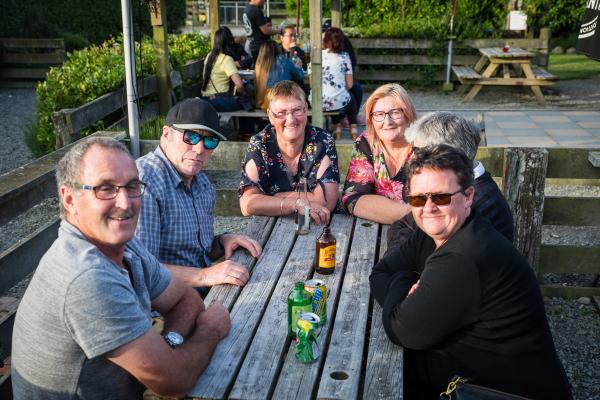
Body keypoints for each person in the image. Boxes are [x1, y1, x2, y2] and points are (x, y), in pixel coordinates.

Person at [11, 137, 231, 398]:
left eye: (132, 186)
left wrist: (169, 344)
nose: (125, 203)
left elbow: (187, 299)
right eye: (105, 189)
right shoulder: (87, 277)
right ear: (69, 199)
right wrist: (211, 329)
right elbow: (175, 381)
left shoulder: (123, 244)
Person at [370, 145, 572, 400]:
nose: (428, 208)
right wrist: (407, 281)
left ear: (468, 196)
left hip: (502, 393)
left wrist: (403, 284)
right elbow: (380, 272)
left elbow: (402, 330)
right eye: (418, 198)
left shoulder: (468, 253)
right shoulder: (430, 233)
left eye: (441, 197)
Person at [135, 98, 262, 295]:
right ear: (167, 135)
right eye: (191, 137)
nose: (200, 148)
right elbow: (143, 269)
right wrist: (205, 275)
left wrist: (222, 242)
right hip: (161, 308)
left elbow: (191, 251)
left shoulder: (202, 184)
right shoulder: (145, 183)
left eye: (210, 140)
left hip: (198, 295)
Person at [386, 111, 514, 252]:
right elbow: (401, 225)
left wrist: (400, 260)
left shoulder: (475, 201)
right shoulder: (454, 188)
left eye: (418, 151)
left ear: (449, 154)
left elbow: (433, 255)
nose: (411, 158)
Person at [239, 80, 339, 224]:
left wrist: (273, 197)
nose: (291, 119)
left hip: (317, 225)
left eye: (297, 110)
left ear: (305, 109)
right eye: (281, 113)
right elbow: (248, 204)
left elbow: (326, 202)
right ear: (270, 116)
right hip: (269, 228)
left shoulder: (322, 141)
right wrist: (295, 204)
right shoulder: (260, 144)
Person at [341, 83, 417, 224]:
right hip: (375, 231)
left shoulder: (425, 144)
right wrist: (406, 213)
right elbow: (352, 199)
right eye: (379, 114)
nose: (387, 122)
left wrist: (381, 209)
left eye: (395, 112)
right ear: (371, 119)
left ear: (408, 114)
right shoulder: (367, 142)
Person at [310, 27, 359, 139]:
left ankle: (337, 127)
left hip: (317, 101)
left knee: (333, 97)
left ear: (325, 40)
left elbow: (312, 84)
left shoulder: (316, 55)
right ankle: (353, 129)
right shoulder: (345, 56)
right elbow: (350, 84)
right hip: (338, 101)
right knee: (348, 97)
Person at [322, 19, 363, 122]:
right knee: (341, 93)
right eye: (325, 30)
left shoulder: (344, 45)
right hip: (325, 87)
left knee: (357, 89)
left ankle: (351, 116)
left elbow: (352, 63)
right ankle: (347, 120)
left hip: (342, 81)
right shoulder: (320, 48)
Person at [201, 27, 248, 112]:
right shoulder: (227, 59)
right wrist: (243, 93)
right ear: (229, 42)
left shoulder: (209, 56)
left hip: (206, 99)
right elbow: (240, 85)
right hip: (219, 101)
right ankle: (246, 126)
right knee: (247, 103)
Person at [255, 40, 304, 110]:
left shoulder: (259, 64)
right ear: (277, 49)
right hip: (282, 102)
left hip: (265, 104)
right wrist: (299, 67)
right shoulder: (284, 60)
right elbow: (300, 76)